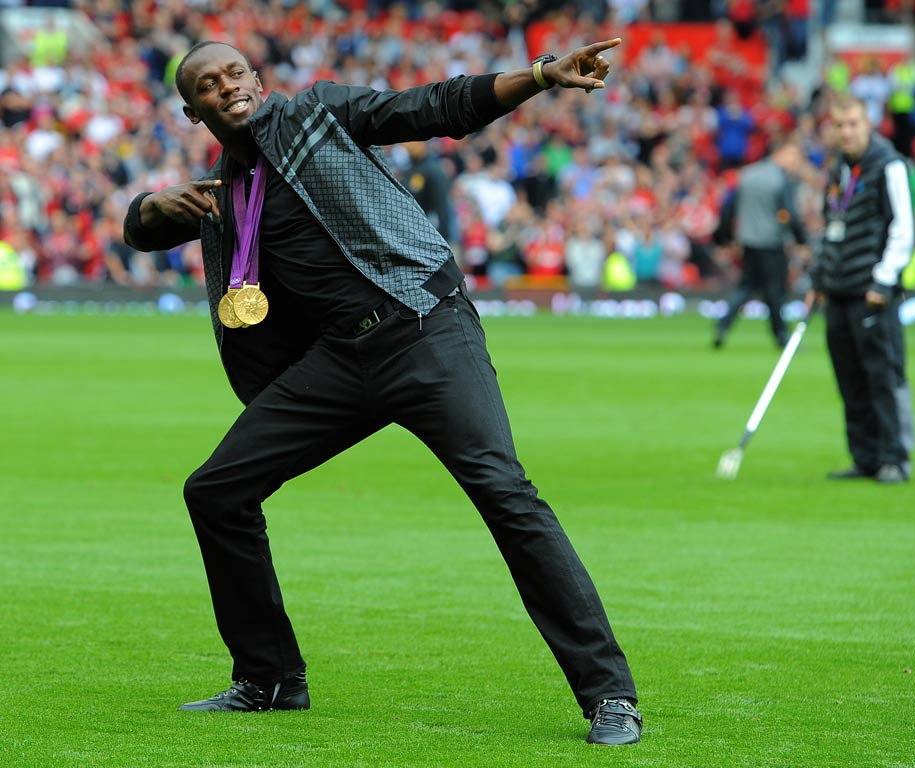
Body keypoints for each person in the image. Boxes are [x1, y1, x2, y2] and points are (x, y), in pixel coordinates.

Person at [121, 39, 642, 745]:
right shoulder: (226, 192)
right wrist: (153, 206)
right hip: (340, 362)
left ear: (258, 79)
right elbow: (140, 231)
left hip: (424, 328)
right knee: (215, 490)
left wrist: (542, 76)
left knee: (504, 493)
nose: (228, 88)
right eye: (209, 86)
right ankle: (269, 677)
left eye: (235, 73)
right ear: (192, 110)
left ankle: (610, 696)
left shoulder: (317, 114)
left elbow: (433, 107)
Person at [806, 94, 915, 485]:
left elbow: (903, 227)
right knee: (849, 378)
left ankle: (894, 458)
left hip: (872, 291)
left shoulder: (889, 165)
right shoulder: (838, 170)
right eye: (840, 125)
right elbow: (828, 228)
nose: (846, 131)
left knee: (883, 376)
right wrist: (818, 279)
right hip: (837, 291)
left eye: (853, 123)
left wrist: (884, 279)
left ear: (868, 123)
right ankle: (865, 457)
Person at [712, 139, 807, 349]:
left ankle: (722, 325)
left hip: (748, 241)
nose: (795, 162)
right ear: (780, 153)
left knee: (745, 287)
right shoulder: (780, 179)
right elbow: (789, 213)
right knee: (775, 290)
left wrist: (724, 237)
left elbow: (728, 209)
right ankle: (781, 335)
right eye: (793, 156)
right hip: (772, 242)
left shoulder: (747, 174)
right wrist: (802, 240)